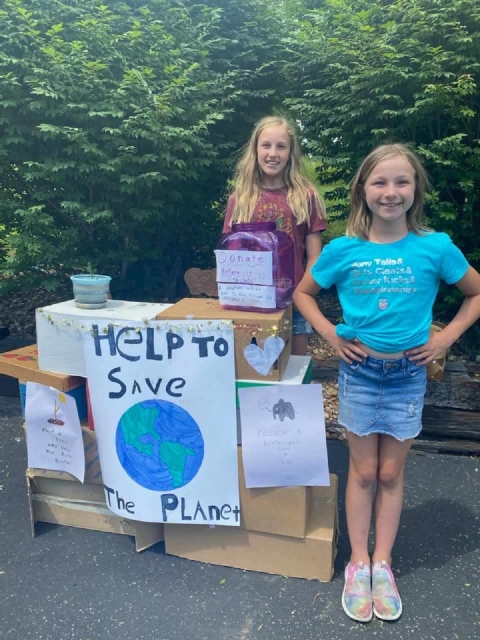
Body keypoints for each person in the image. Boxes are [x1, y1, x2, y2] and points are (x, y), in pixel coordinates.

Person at [293, 143, 480, 622]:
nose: (390, 192)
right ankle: (358, 561)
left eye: (401, 182)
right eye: (380, 182)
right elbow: (304, 294)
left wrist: (447, 338)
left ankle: (384, 562)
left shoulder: (435, 247)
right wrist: (332, 336)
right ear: (363, 189)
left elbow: (475, 294)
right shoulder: (343, 249)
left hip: (406, 377)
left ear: (415, 189)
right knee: (363, 472)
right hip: (359, 374)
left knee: (392, 473)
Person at [223, 115, 326, 355]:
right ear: (255, 149)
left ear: (291, 153)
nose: (273, 153)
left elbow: (315, 258)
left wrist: (304, 294)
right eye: (266, 145)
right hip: (250, 302)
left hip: (294, 301)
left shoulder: (305, 196)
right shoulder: (239, 199)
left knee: (296, 370)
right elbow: (230, 256)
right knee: (254, 370)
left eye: (281, 146)